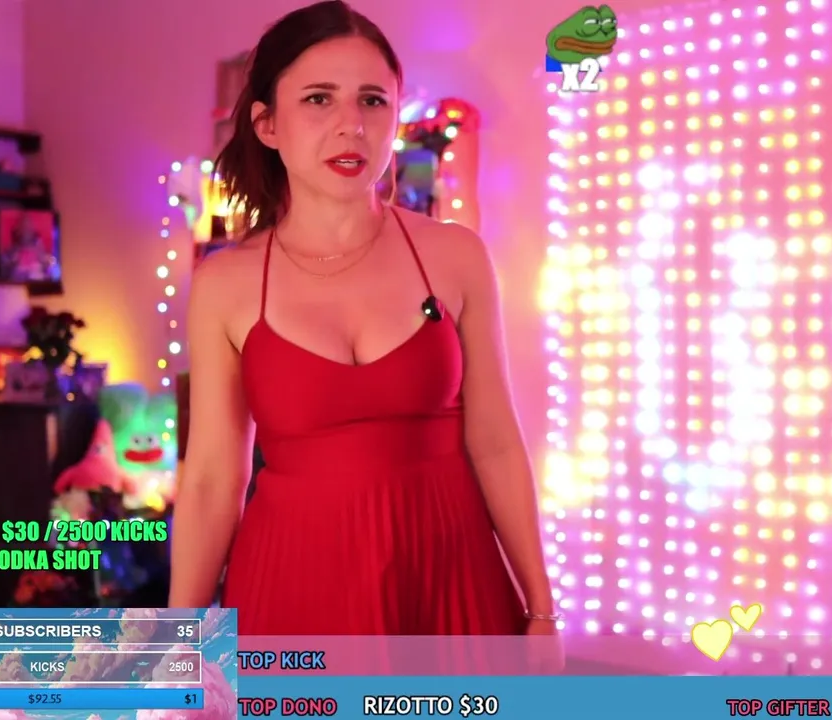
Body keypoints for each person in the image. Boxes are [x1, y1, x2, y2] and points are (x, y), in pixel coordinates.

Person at [169, 0, 561, 665]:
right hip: (293, 583)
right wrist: (178, 642)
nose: (351, 124)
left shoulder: (455, 255)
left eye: (373, 100)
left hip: (448, 574)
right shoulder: (225, 284)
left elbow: (496, 442)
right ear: (267, 124)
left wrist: (542, 610)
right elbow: (212, 480)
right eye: (319, 99)